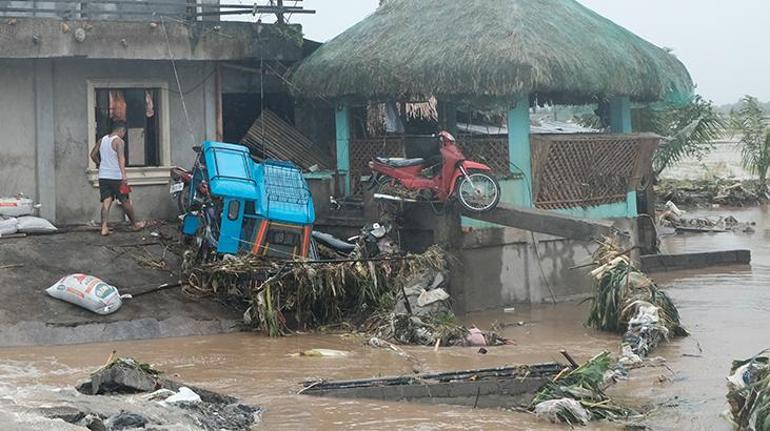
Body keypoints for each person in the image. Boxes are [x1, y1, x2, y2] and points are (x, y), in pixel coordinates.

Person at [90, 122, 145, 236]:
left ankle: (104, 227)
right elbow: (121, 159)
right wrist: (124, 176)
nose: (123, 135)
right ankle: (135, 224)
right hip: (116, 176)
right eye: (124, 133)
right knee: (125, 201)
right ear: (121, 130)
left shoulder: (102, 140)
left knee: (106, 201)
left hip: (103, 176)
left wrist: (100, 164)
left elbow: (93, 155)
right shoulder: (118, 141)